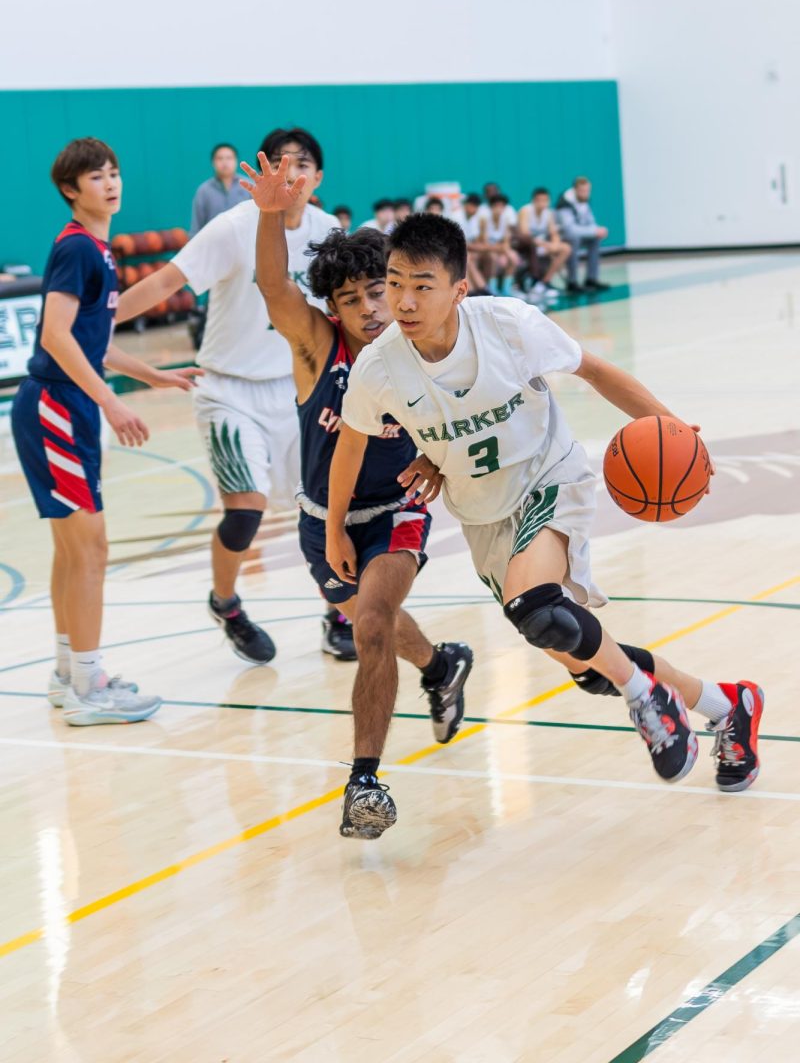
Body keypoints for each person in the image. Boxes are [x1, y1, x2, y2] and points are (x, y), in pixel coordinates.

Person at [326, 213, 764, 821]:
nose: (403, 299)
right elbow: (352, 442)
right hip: (482, 515)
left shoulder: (508, 326)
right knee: (579, 655)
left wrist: (673, 427)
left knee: (536, 604)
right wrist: (333, 527)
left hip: (549, 476)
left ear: (459, 288)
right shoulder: (380, 367)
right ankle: (726, 705)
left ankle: (646, 698)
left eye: (422, 285)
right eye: (395, 281)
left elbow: (596, 370)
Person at [240, 152, 473, 839]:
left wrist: (441, 455)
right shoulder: (317, 349)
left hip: (397, 510)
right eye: (353, 299)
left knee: (369, 623)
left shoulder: (417, 337)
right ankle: (441, 664)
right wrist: (268, 216)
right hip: (324, 519)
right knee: (376, 626)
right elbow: (273, 284)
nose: (373, 308)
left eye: (380, 291)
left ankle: (364, 782)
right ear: (332, 310)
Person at [116, 127, 357, 664]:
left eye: (301, 165)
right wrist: (97, 321)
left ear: (319, 178)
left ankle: (338, 610)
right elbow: (163, 283)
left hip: (304, 390)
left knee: (329, 510)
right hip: (229, 390)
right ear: (262, 174)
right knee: (245, 511)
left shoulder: (330, 232)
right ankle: (225, 602)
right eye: (279, 164)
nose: (290, 175)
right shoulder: (232, 228)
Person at [11, 137, 201, 725]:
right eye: (97, 177)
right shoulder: (77, 250)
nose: (111, 183)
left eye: (114, 173)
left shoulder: (98, 249)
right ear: (71, 190)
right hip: (56, 407)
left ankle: (71, 674)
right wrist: (110, 405)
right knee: (89, 548)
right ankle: (88, 687)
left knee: (74, 550)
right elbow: (56, 336)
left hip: (64, 406)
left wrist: (154, 376)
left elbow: (95, 343)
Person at [516, 187, 571, 301]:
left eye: (545, 200)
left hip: (542, 246)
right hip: (527, 247)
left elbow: (554, 233)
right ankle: (533, 282)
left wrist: (555, 244)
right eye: (540, 200)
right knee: (535, 247)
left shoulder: (548, 213)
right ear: (534, 201)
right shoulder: (525, 211)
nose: (542, 203)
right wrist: (547, 245)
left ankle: (543, 283)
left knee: (565, 248)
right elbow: (525, 235)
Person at [556, 176, 610, 293]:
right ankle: (572, 282)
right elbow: (569, 230)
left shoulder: (584, 201)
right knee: (574, 239)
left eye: (587, 191)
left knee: (595, 239)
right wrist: (593, 231)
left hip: (579, 235)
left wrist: (598, 230)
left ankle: (591, 279)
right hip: (562, 238)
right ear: (575, 190)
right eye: (582, 191)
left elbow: (590, 222)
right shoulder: (564, 204)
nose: (585, 193)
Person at [190, 143, 250, 236]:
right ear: (213, 162)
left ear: (236, 161)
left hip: (245, 242)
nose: (225, 162)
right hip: (213, 244)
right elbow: (196, 227)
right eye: (220, 158)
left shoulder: (249, 185)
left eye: (229, 158)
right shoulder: (204, 190)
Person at [475, 194, 520, 295]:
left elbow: (506, 243)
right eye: (497, 206)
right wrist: (500, 249)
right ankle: (492, 287)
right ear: (491, 207)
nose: (499, 209)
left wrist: (505, 253)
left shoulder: (506, 220)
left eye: (502, 206)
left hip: (498, 250)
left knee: (513, 258)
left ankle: (506, 288)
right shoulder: (485, 220)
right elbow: (485, 244)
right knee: (493, 257)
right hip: (485, 251)